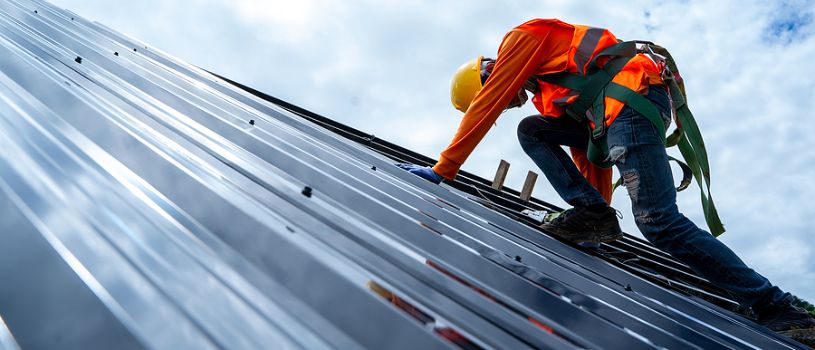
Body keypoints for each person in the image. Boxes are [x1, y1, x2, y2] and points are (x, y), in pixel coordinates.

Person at [397, 18, 815, 343]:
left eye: (502, 95)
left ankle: (777, 308)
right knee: (532, 129)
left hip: (631, 100)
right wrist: (596, 215)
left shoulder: (521, 40)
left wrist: (442, 170)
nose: (510, 102)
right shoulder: (552, 90)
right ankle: (593, 213)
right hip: (614, 112)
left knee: (658, 222)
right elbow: (589, 152)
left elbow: (485, 106)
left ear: (488, 75)